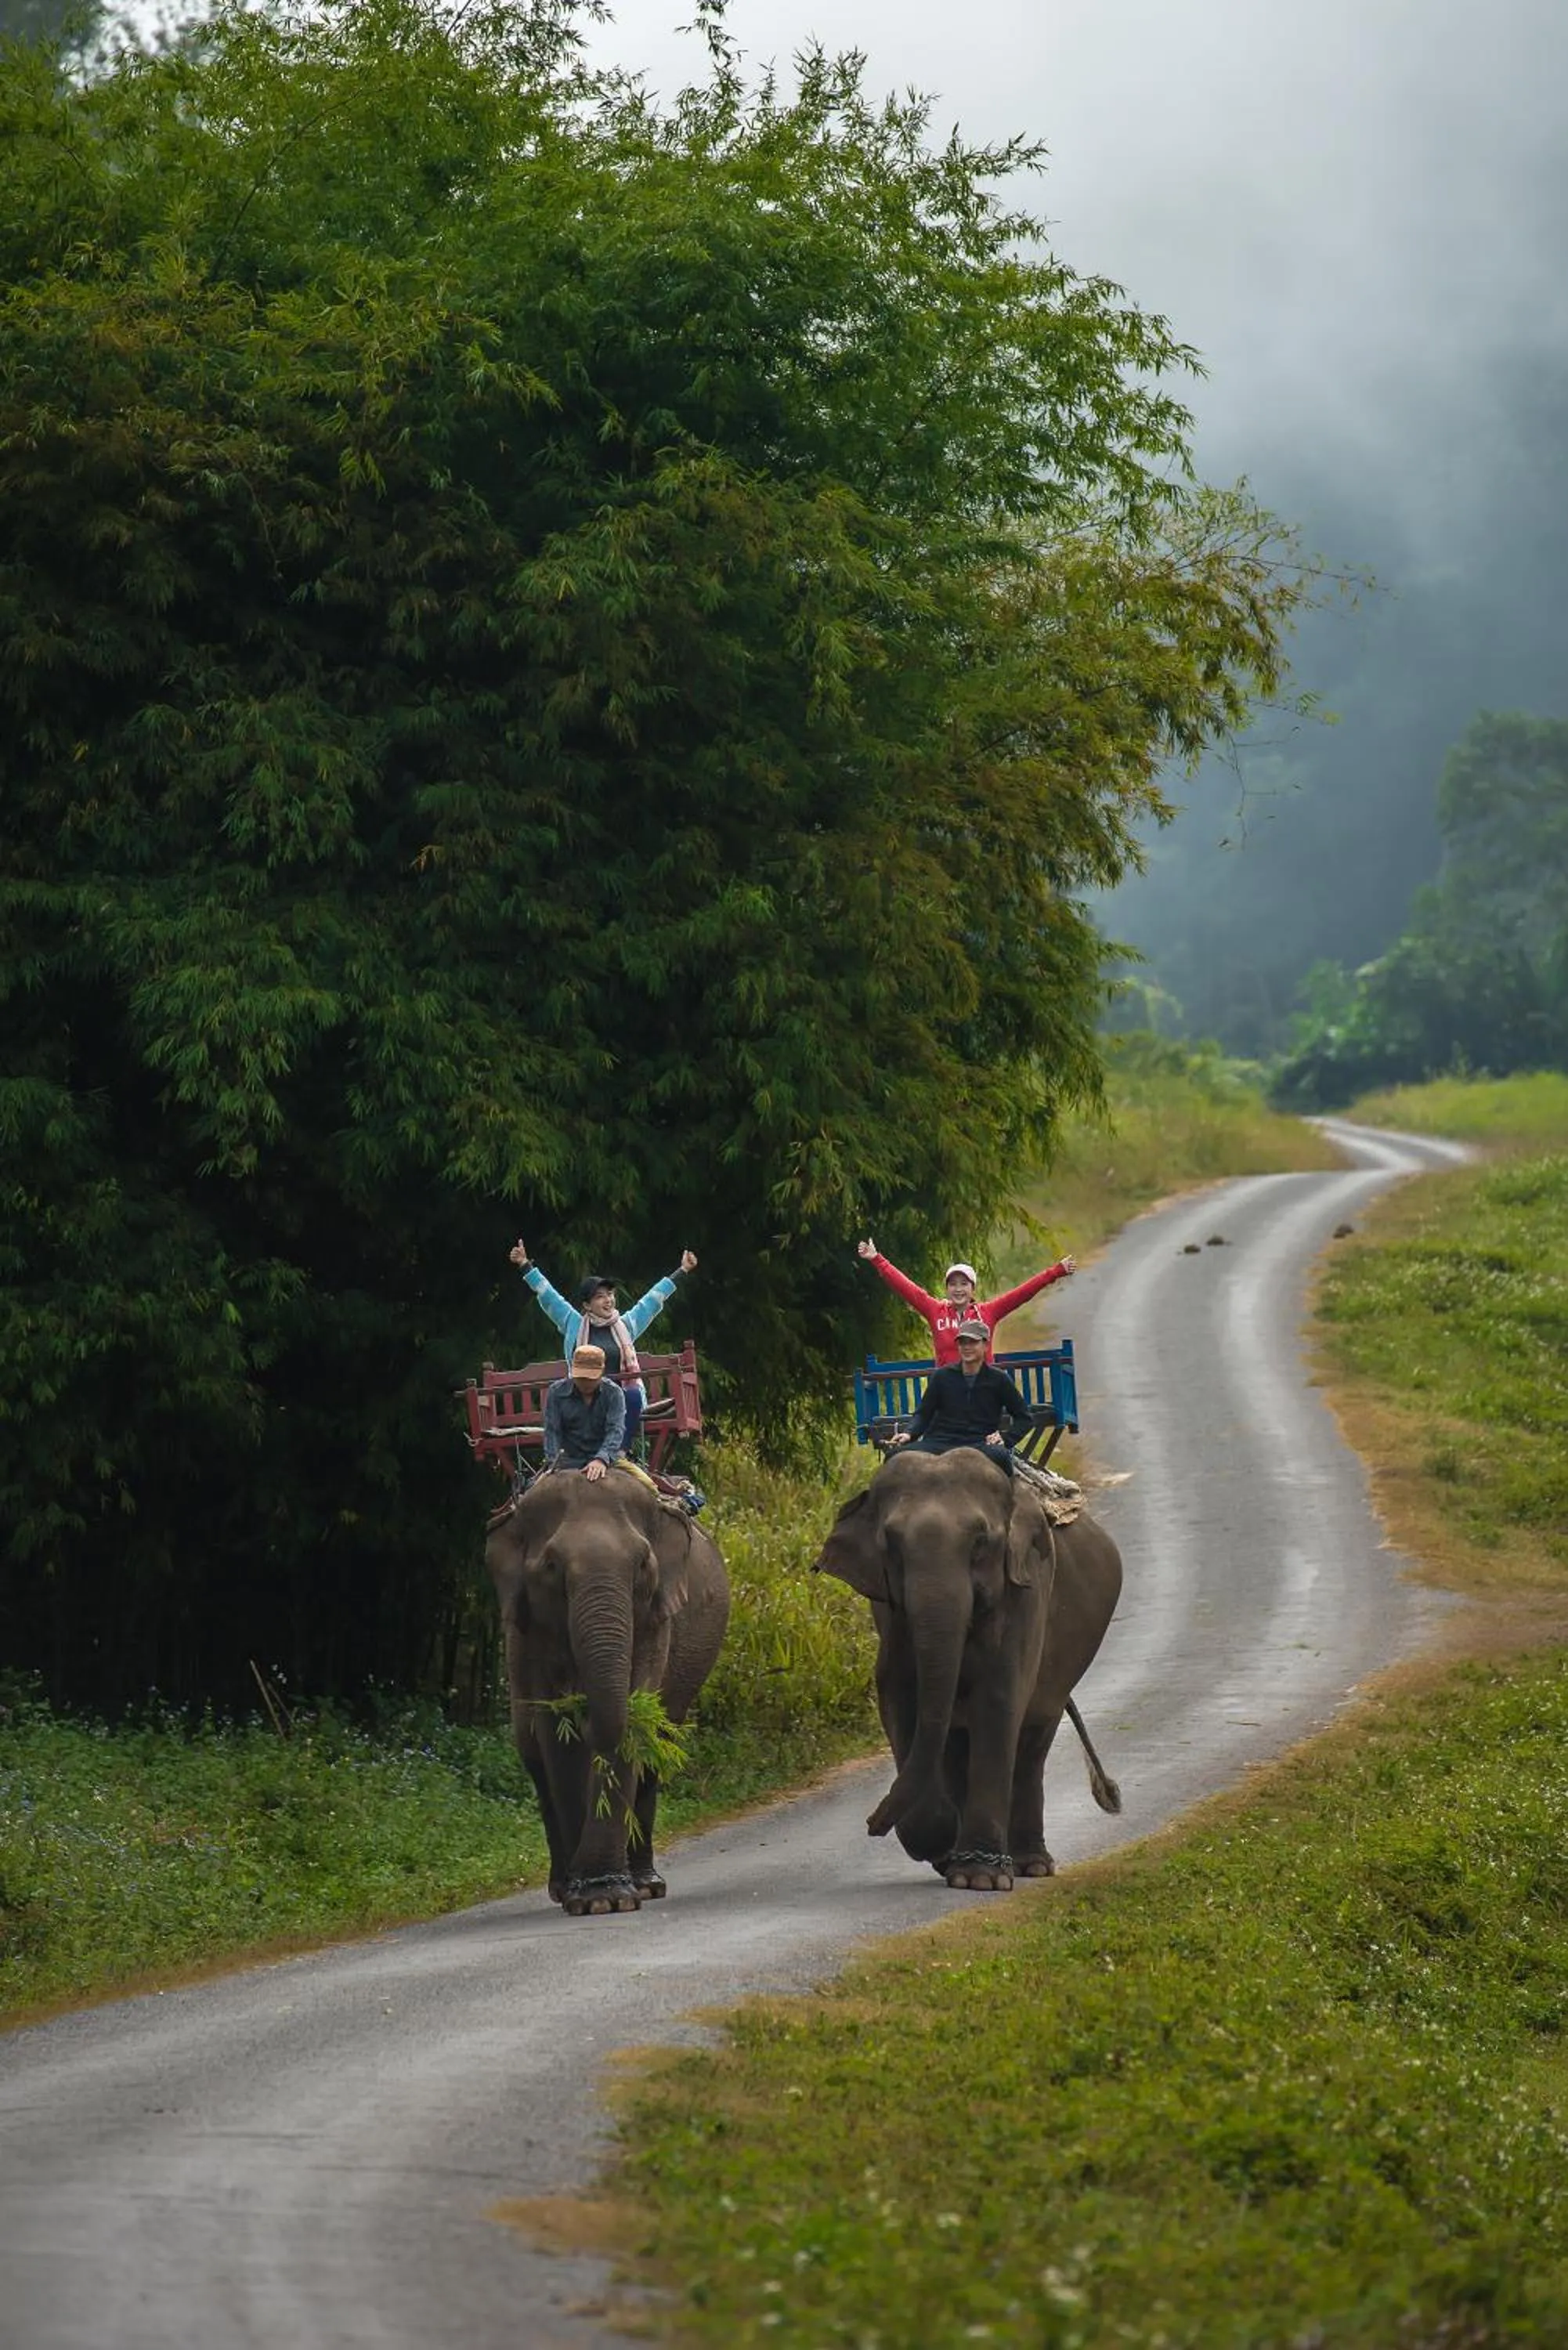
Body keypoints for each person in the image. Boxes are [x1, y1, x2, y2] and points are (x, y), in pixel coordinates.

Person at [509, 1242, 698, 1457]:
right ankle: (565, 1458)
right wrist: (525, 1264)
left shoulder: (625, 1325)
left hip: (618, 1403)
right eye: (600, 1296)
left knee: (634, 1394)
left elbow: (652, 1300)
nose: (608, 1300)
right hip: (585, 1400)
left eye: (610, 1294)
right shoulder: (574, 1324)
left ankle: (620, 1451)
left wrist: (682, 1270)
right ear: (587, 1305)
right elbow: (548, 1295)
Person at [856, 1237, 1074, 1365]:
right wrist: (877, 1259)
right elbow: (906, 1288)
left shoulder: (988, 1312)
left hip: (982, 1391)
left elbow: (1022, 1293)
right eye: (953, 1284)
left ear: (973, 1289)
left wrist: (1055, 1272)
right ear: (947, 1288)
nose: (958, 1289)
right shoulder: (935, 1311)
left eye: (964, 1284)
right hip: (947, 1392)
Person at [888, 1320, 1034, 1474]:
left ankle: (1009, 1497)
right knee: (893, 1457)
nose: (967, 1347)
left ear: (985, 1345)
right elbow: (923, 1414)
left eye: (973, 1342)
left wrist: (1006, 1439)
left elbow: (1024, 1418)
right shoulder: (941, 1376)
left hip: (979, 1443)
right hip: (939, 1442)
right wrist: (909, 1433)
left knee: (1001, 1457)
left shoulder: (999, 1379)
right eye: (963, 1342)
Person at [542, 1344, 627, 1481]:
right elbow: (552, 1431)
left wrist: (601, 1459)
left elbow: (616, 1429)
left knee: (649, 1487)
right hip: (568, 1461)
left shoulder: (614, 1393)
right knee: (529, 1495)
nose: (585, 1383)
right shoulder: (556, 1392)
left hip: (607, 1458)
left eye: (591, 1378)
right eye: (581, 1378)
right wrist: (553, 1463)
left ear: (602, 1372)